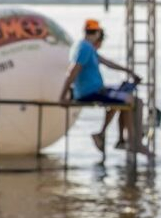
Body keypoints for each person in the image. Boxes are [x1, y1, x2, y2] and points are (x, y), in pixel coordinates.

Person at [59, 19, 149, 155]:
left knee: (123, 95)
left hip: (97, 90)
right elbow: (73, 71)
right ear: (96, 33)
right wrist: (63, 96)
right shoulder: (84, 48)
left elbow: (108, 63)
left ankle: (119, 139)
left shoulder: (86, 47)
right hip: (89, 93)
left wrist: (129, 72)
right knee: (131, 100)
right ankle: (134, 142)